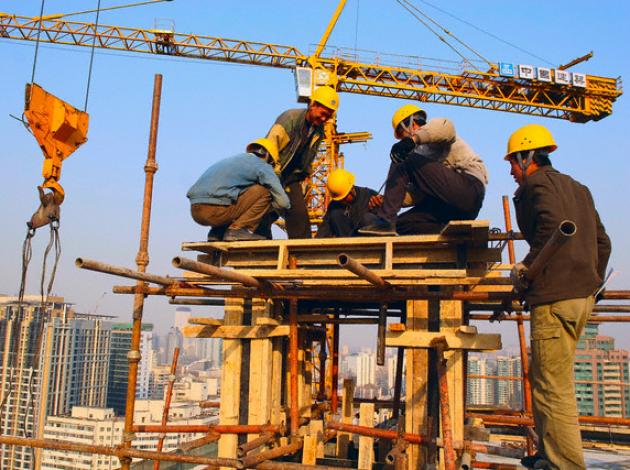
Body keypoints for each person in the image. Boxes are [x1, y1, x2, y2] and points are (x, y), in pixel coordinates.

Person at [505, 124, 611, 470]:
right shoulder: (578, 187)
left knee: (552, 387)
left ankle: (564, 464)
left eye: (513, 163)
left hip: (554, 299)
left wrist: (526, 269)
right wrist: (590, 282)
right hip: (582, 298)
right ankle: (550, 455)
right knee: (551, 379)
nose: (511, 171)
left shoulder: (536, 185)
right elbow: (603, 243)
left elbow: (552, 228)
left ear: (526, 157)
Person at [358, 104, 488, 235]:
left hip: (468, 190)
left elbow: (446, 127)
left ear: (412, 124)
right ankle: (451, 234)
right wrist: (385, 201)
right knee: (400, 225)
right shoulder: (421, 161)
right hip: (449, 208)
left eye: (403, 136)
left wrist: (413, 140)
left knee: (403, 159)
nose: (404, 140)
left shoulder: (433, 131)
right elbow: (416, 195)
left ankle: (386, 219)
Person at [256, 86, 340, 239]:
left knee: (299, 214)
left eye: (327, 116)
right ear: (313, 105)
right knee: (263, 210)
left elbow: (307, 158)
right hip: (272, 172)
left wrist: (304, 176)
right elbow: (270, 146)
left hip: (291, 177)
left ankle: (301, 254)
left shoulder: (318, 131)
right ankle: (261, 243)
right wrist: (270, 176)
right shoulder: (290, 119)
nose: (323, 119)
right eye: (322, 114)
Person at [186, 138, 290, 242]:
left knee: (233, 192)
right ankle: (238, 230)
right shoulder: (262, 166)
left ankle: (217, 232)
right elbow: (283, 203)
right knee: (266, 191)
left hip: (195, 211)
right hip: (216, 210)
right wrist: (278, 212)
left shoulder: (232, 161)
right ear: (269, 157)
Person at [316, 168, 382, 238]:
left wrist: (379, 210)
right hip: (346, 244)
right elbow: (324, 230)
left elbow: (390, 221)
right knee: (336, 214)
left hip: (368, 242)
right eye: (340, 200)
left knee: (367, 218)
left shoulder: (369, 195)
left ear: (351, 189)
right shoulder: (334, 206)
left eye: (344, 198)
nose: (342, 202)